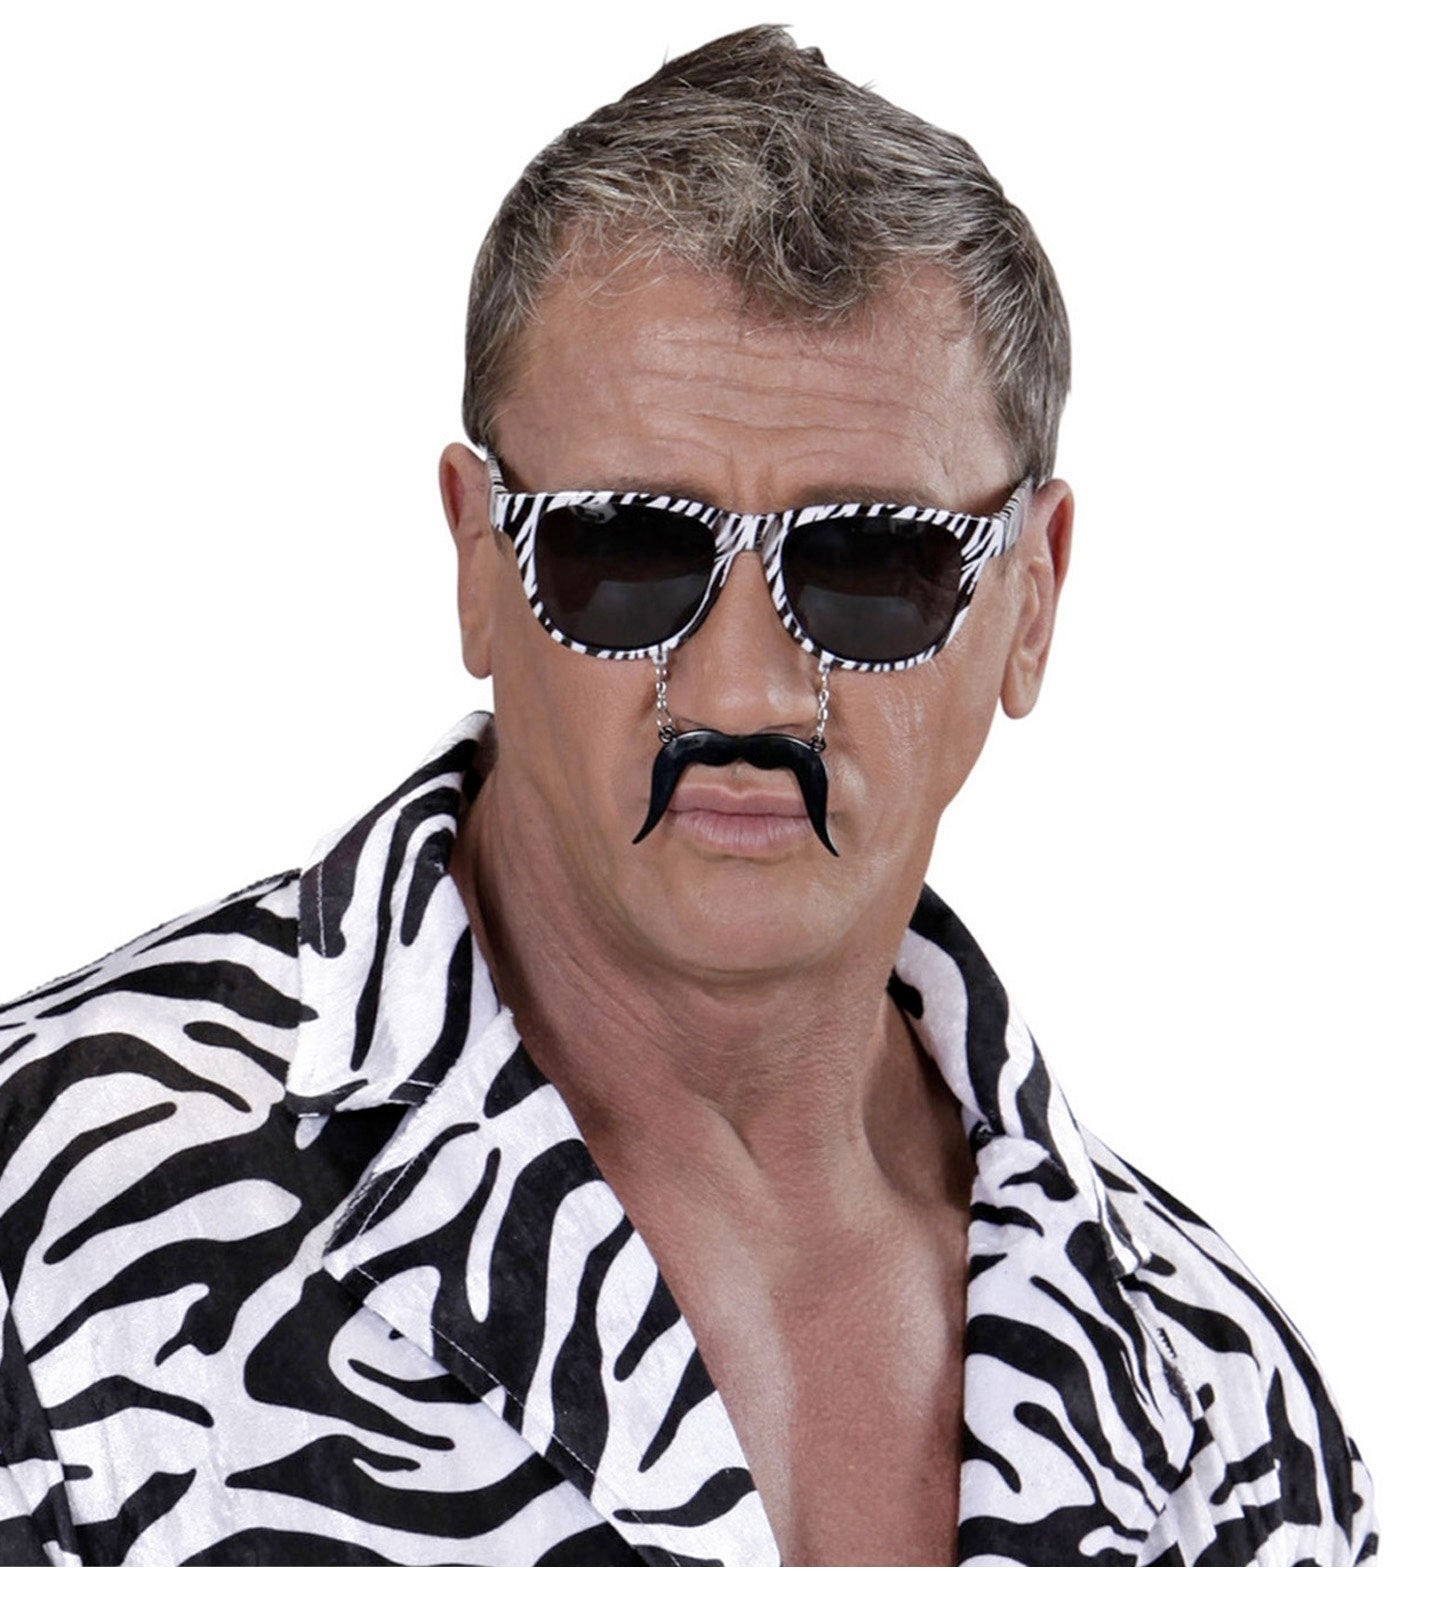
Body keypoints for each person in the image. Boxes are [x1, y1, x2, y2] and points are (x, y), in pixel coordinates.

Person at [0, 25, 1375, 1567]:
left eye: (873, 566)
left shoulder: (1221, 1409)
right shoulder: (46, 1232)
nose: (740, 693)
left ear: (1031, 601)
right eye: (626, 550)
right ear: (477, 564)